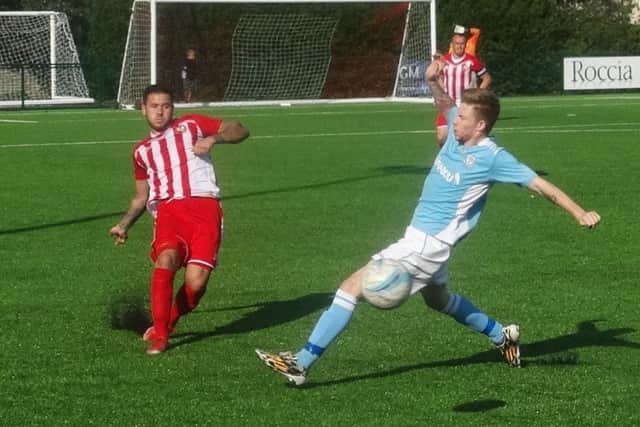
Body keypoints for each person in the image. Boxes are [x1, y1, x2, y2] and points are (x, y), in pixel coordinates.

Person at [255, 59, 601, 386]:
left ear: (480, 125)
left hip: (425, 244)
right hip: (428, 241)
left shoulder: (493, 157)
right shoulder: (457, 131)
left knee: (349, 288)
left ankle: (301, 362)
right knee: (438, 301)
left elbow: (541, 187)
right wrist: (433, 80)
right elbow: (445, 103)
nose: (454, 120)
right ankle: (501, 334)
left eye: (462, 117)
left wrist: (579, 212)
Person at [109, 84, 249, 354]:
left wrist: (214, 139)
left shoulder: (191, 125)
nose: (160, 112)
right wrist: (124, 225)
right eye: (154, 106)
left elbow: (240, 129)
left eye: (166, 106)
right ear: (143, 110)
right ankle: (160, 336)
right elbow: (141, 197)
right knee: (166, 259)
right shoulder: (141, 152)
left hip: (205, 209)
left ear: (173, 108)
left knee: (195, 285)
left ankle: (169, 323)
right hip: (169, 212)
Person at [433, 25, 491, 147]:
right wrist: (439, 96)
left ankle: (462, 161)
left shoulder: (472, 61)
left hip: (465, 105)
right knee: (441, 137)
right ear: (452, 44)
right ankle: (448, 159)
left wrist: (476, 95)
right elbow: (440, 79)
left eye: (462, 43)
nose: (459, 46)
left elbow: (486, 78)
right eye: (457, 43)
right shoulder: (444, 61)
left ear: (465, 44)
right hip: (448, 105)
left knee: (464, 138)